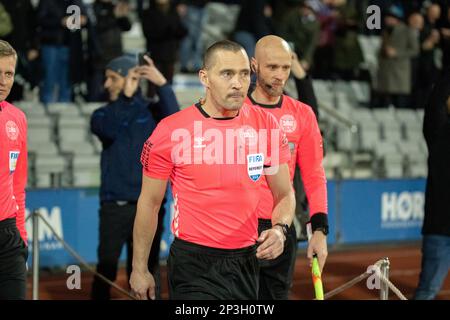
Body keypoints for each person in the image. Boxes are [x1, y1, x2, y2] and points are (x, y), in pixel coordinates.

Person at [130, 40, 295, 300]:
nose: (238, 83)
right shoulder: (171, 130)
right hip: (193, 263)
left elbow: (284, 194)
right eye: (227, 74)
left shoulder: (267, 127)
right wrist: (139, 269)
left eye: (244, 74)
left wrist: (280, 229)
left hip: (246, 261)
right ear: (205, 78)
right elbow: (149, 203)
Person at [245, 35, 328, 299]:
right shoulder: (233, 110)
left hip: (281, 228)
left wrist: (319, 230)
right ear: (254, 65)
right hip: (237, 230)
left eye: (286, 67)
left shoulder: (303, 114)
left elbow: (314, 175)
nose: (280, 75)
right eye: (272, 67)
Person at [90, 55, 179, 300]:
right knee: (106, 269)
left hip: (149, 206)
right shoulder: (101, 114)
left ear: (131, 78)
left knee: (147, 270)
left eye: (113, 78)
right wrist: (127, 99)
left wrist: (162, 84)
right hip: (114, 206)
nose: (106, 84)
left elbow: (177, 122)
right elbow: (109, 129)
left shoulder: (151, 110)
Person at [414, 67, 450, 300]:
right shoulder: (439, 132)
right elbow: (435, 101)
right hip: (440, 229)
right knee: (427, 291)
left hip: (438, 229)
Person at [0, 40, 28, 300]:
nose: (3, 81)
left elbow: (17, 184)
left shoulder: (17, 118)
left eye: (8, 73)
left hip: (8, 235)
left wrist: (22, 235)